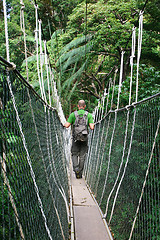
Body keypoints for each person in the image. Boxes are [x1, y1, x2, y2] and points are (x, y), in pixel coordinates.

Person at [64, 100, 94, 179]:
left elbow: (67, 125)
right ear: (84, 106)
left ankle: (76, 168)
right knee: (82, 156)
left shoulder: (73, 115)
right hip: (84, 138)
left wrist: (64, 123)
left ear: (78, 106)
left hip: (75, 138)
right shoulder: (89, 115)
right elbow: (92, 127)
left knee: (74, 154)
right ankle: (79, 173)